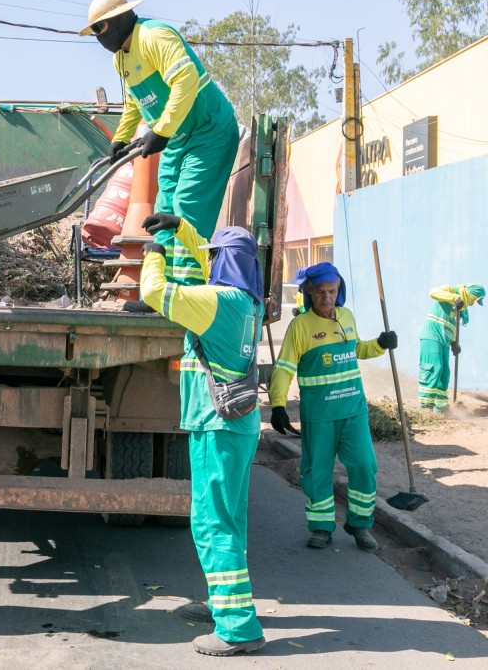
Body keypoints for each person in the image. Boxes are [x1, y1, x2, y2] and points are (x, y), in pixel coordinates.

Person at [139, 213, 266, 657]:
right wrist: (181, 228)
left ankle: (237, 627)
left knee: (212, 523)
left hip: (215, 425)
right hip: (238, 426)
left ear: (224, 262)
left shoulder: (215, 302)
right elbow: (214, 260)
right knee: (230, 520)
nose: (208, 263)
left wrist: (153, 254)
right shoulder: (250, 301)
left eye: (214, 257)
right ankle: (225, 604)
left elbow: (153, 292)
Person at [81, 0, 239, 287]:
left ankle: (187, 290)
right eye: (94, 31)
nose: (98, 36)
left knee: (187, 206)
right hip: (177, 139)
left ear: (118, 20)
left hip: (209, 131)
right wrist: (121, 138)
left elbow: (186, 79)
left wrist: (162, 130)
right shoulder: (121, 59)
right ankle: (161, 290)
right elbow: (135, 101)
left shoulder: (154, 36)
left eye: (99, 28)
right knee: (163, 211)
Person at [268, 263, 396, 552]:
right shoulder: (300, 326)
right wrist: (278, 405)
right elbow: (284, 367)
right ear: (309, 293)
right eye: (320, 292)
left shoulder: (346, 316)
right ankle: (322, 527)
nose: (327, 298)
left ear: (339, 291)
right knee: (317, 471)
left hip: (353, 410)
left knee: (364, 465)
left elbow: (356, 349)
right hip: (319, 416)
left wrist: (379, 344)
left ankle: (359, 523)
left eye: (332, 291)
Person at [418, 283, 484, 411]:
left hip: (444, 341)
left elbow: (451, 325)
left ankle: (440, 406)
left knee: (444, 372)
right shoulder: (450, 291)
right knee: (434, 368)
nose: (472, 304)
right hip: (432, 336)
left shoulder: (460, 308)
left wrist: (454, 342)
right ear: (470, 294)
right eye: (475, 300)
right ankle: (426, 405)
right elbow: (433, 292)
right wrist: (455, 298)